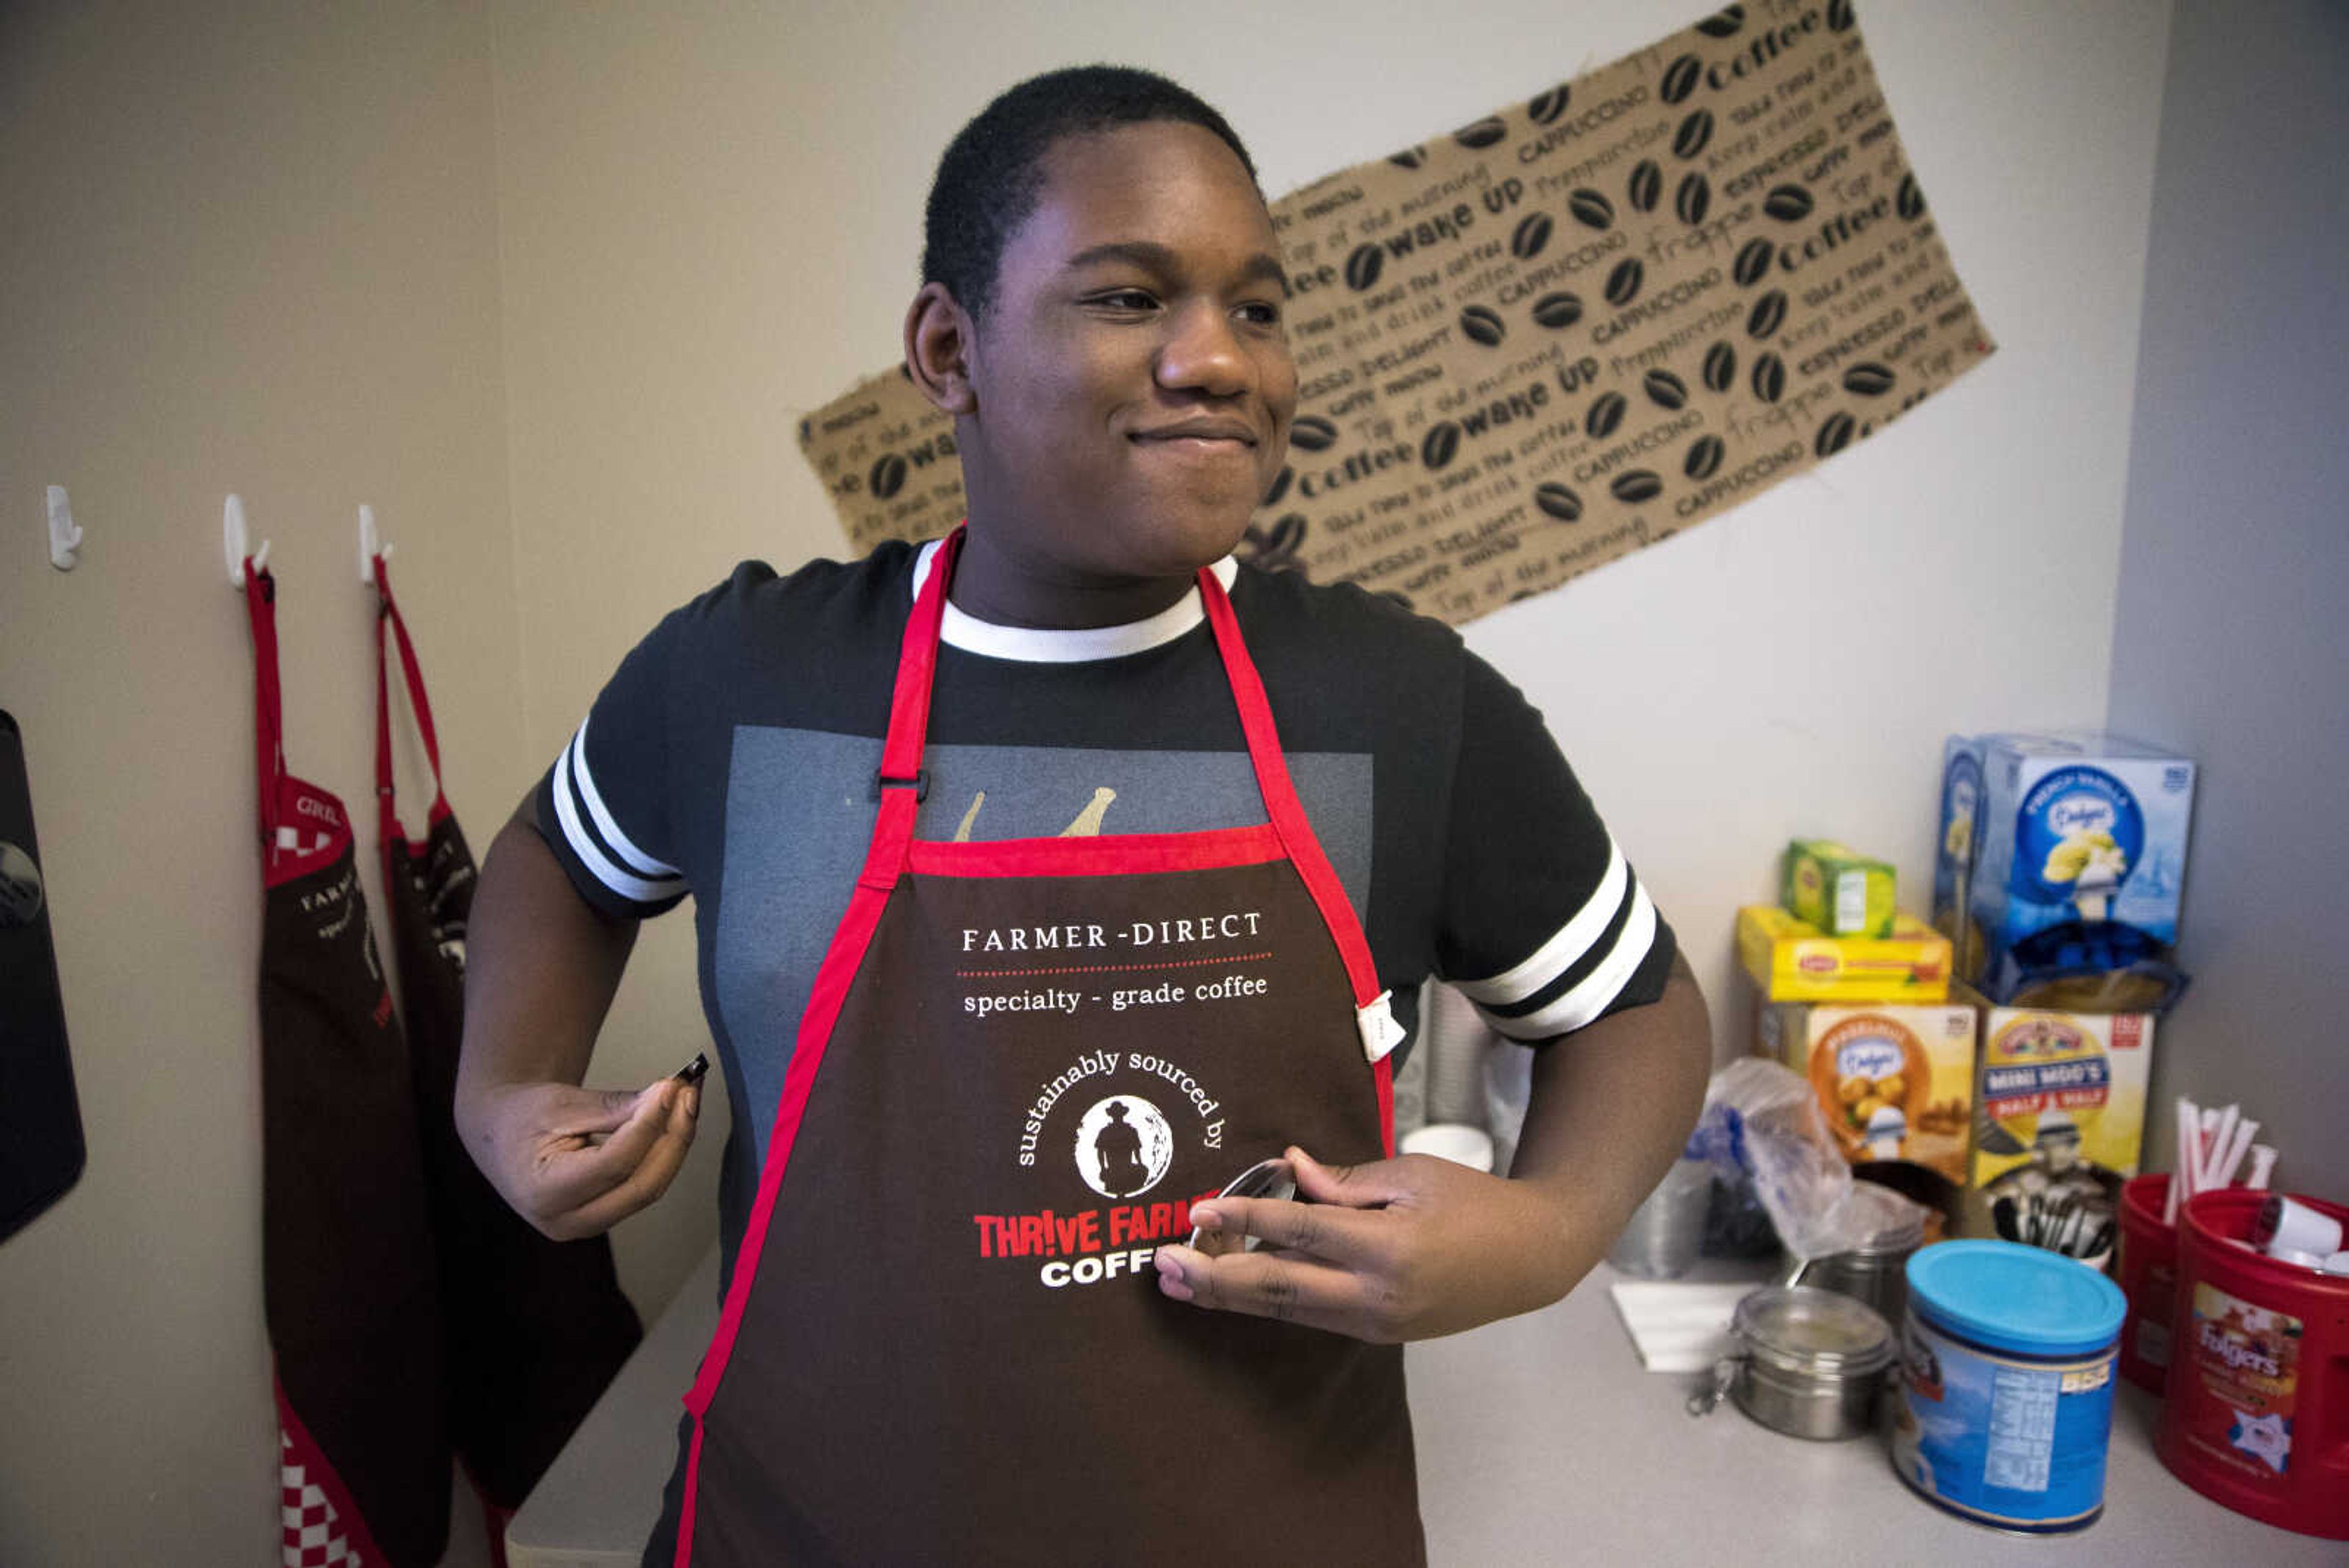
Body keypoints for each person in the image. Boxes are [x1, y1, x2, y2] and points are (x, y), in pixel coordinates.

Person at [456, 64, 1711, 1567]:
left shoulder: (1395, 705)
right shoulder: (746, 679)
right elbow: (559, 861)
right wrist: (506, 1090)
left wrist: (1549, 1228)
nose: (1219, 360)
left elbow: (1635, 1008)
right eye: (1130, 297)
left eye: (1259, 306)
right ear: (947, 347)